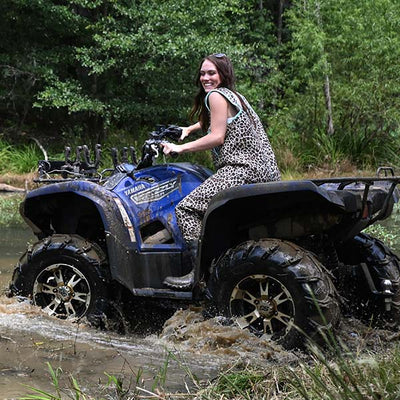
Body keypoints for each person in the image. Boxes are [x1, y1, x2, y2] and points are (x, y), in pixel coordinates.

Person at [162, 53, 281, 290]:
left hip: (241, 170)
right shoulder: (235, 96)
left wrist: (180, 148)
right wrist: (189, 129)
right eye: (202, 73)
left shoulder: (215, 96)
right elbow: (217, 120)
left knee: (186, 209)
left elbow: (217, 136)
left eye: (211, 73)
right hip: (266, 172)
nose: (205, 78)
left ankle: (198, 275)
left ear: (223, 74)